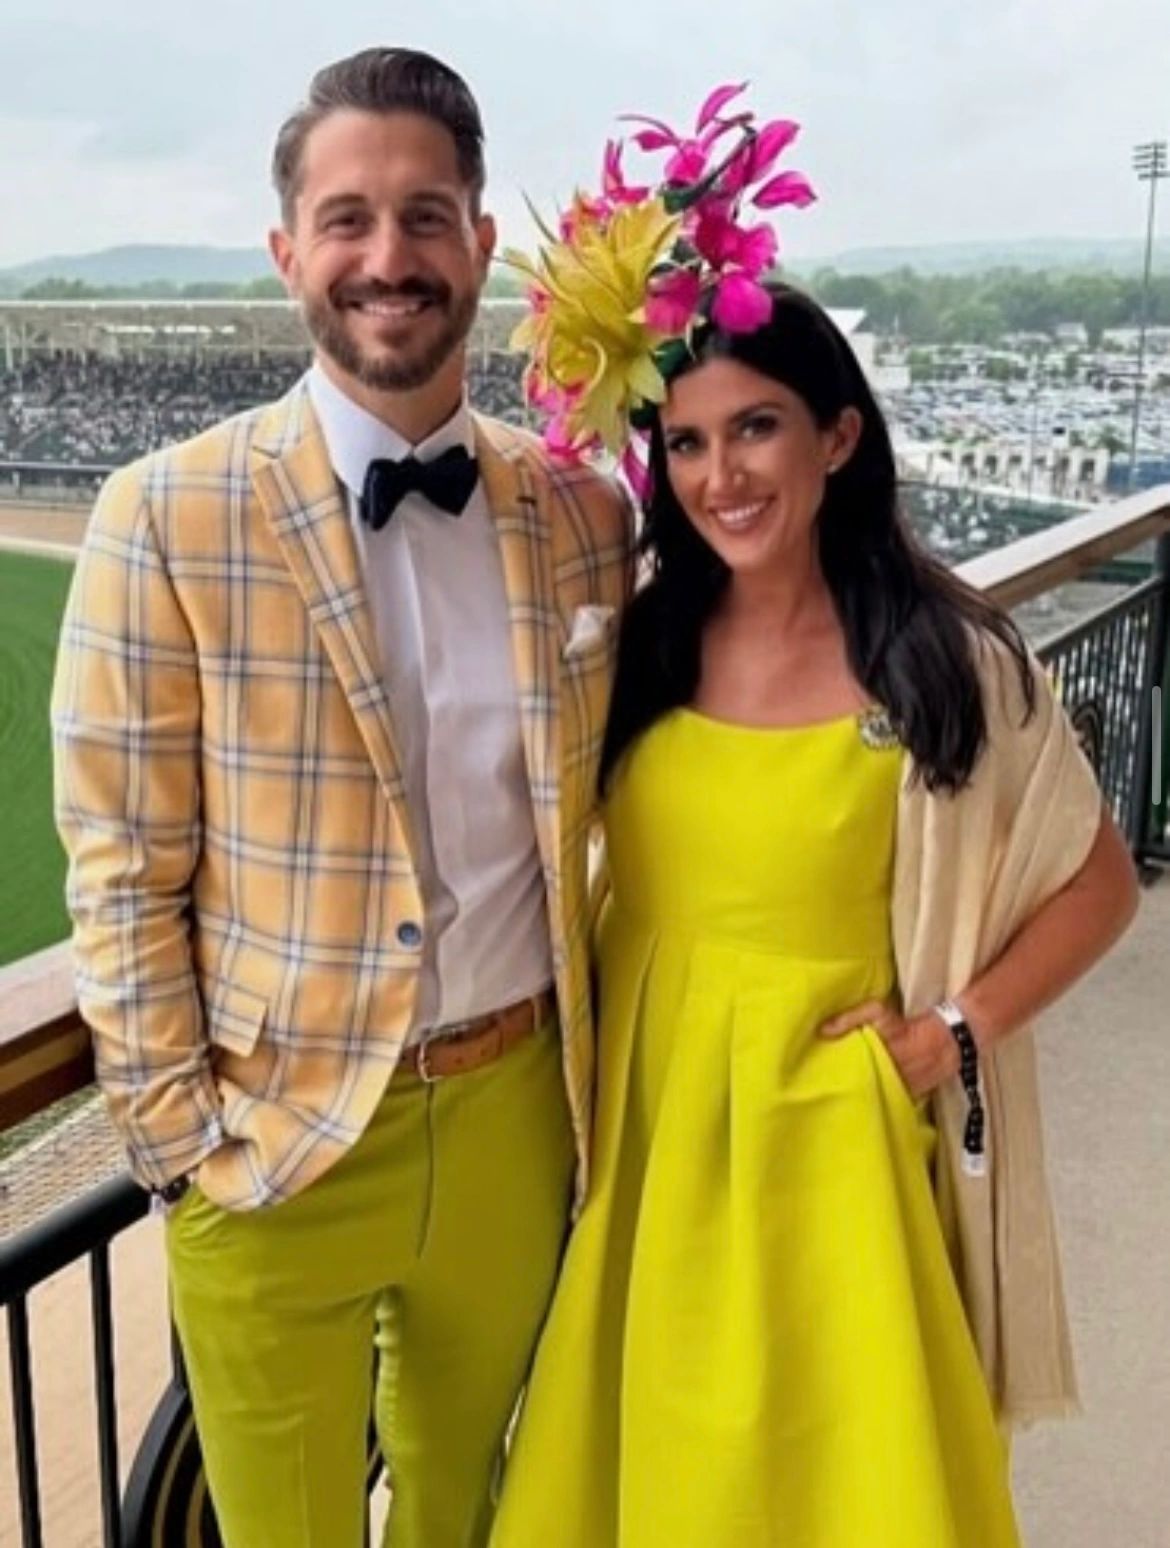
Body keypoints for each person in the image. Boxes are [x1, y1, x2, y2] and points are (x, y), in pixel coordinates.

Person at [490, 90, 1139, 1548]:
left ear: (837, 436)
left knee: (844, 1494)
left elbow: (1099, 889)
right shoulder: (631, 649)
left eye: (758, 429)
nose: (722, 476)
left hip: (835, 1145)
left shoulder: (943, 663)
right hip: (648, 1148)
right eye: (688, 441)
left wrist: (944, 1036)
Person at [51, 46, 633, 1548]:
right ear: (288, 251)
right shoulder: (163, 514)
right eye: (350, 218)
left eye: (427, 216)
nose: (391, 259)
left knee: (469, 1514)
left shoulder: (579, 515)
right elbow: (120, 862)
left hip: (515, 1120)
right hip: (273, 1145)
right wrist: (180, 1143)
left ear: (483, 245)